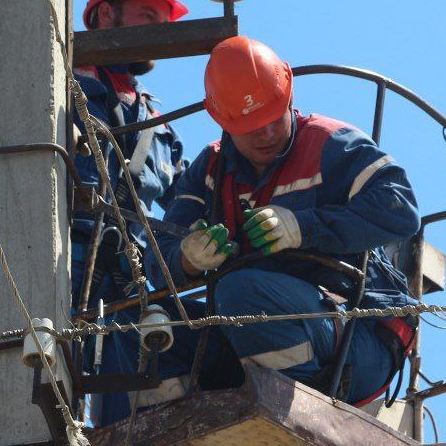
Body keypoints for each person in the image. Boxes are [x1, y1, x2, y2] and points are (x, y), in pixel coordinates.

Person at [136, 35, 421, 411]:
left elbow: (401, 208)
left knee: (241, 293)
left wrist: (305, 227)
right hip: (257, 330)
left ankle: (292, 408)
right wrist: (187, 259)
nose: (267, 133)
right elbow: (159, 262)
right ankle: (172, 422)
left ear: (290, 99)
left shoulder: (330, 144)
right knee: (145, 327)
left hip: (355, 337)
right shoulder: (210, 171)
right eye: (252, 125)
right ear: (222, 121)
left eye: (275, 117)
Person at [71, 0, 189, 422]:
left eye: (164, 22)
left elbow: (185, 201)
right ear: (105, 16)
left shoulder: (157, 123)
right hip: (65, 254)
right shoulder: (57, 91)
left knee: (128, 398)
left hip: (133, 270)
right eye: (147, 16)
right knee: (41, 375)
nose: (159, 32)